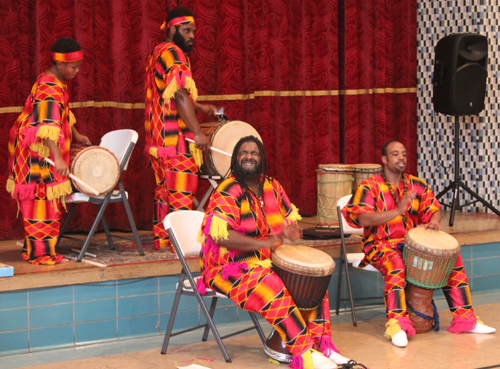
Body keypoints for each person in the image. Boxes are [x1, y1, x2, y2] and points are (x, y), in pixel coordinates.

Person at [197, 136, 351, 369]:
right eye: (243, 153)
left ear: (262, 159)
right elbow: (220, 235)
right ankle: (304, 351)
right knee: (272, 285)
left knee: (314, 283)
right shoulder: (227, 189)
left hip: (265, 261)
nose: (248, 156)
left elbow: (288, 223)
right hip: (227, 266)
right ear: (235, 159)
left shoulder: (272, 187)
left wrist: (290, 233)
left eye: (254, 153)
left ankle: (322, 345)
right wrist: (264, 244)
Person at [342, 140, 496, 348]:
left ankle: (465, 319)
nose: (401, 158)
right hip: (380, 244)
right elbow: (363, 220)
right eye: (395, 154)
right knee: (396, 266)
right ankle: (396, 324)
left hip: (411, 245)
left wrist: (433, 220)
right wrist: (398, 210)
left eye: (404, 154)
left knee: (452, 260)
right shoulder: (369, 187)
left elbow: (434, 208)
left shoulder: (416, 184)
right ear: (384, 159)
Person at [6, 37, 91, 265]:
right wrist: (57, 158)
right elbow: (45, 125)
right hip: (36, 153)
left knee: (41, 199)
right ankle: (40, 253)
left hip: (36, 149)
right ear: (60, 64)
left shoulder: (53, 79)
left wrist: (75, 133)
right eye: (74, 66)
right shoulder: (50, 86)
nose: (77, 70)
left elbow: (59, 114)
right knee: (40, 199)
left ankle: (37, 246)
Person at [144, 7, 217, 251]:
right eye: (186, 30)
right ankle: (182, 247)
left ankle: (164, 242)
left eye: (194, 31)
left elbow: (172, 93)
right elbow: (181, 95)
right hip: (177, 140)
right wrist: (197, 132)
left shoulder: (159, 52)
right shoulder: (175, 55)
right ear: (173, 29)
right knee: (181, 194)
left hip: (160, 141)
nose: (192, 36)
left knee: (165, 192)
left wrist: (202, 106)